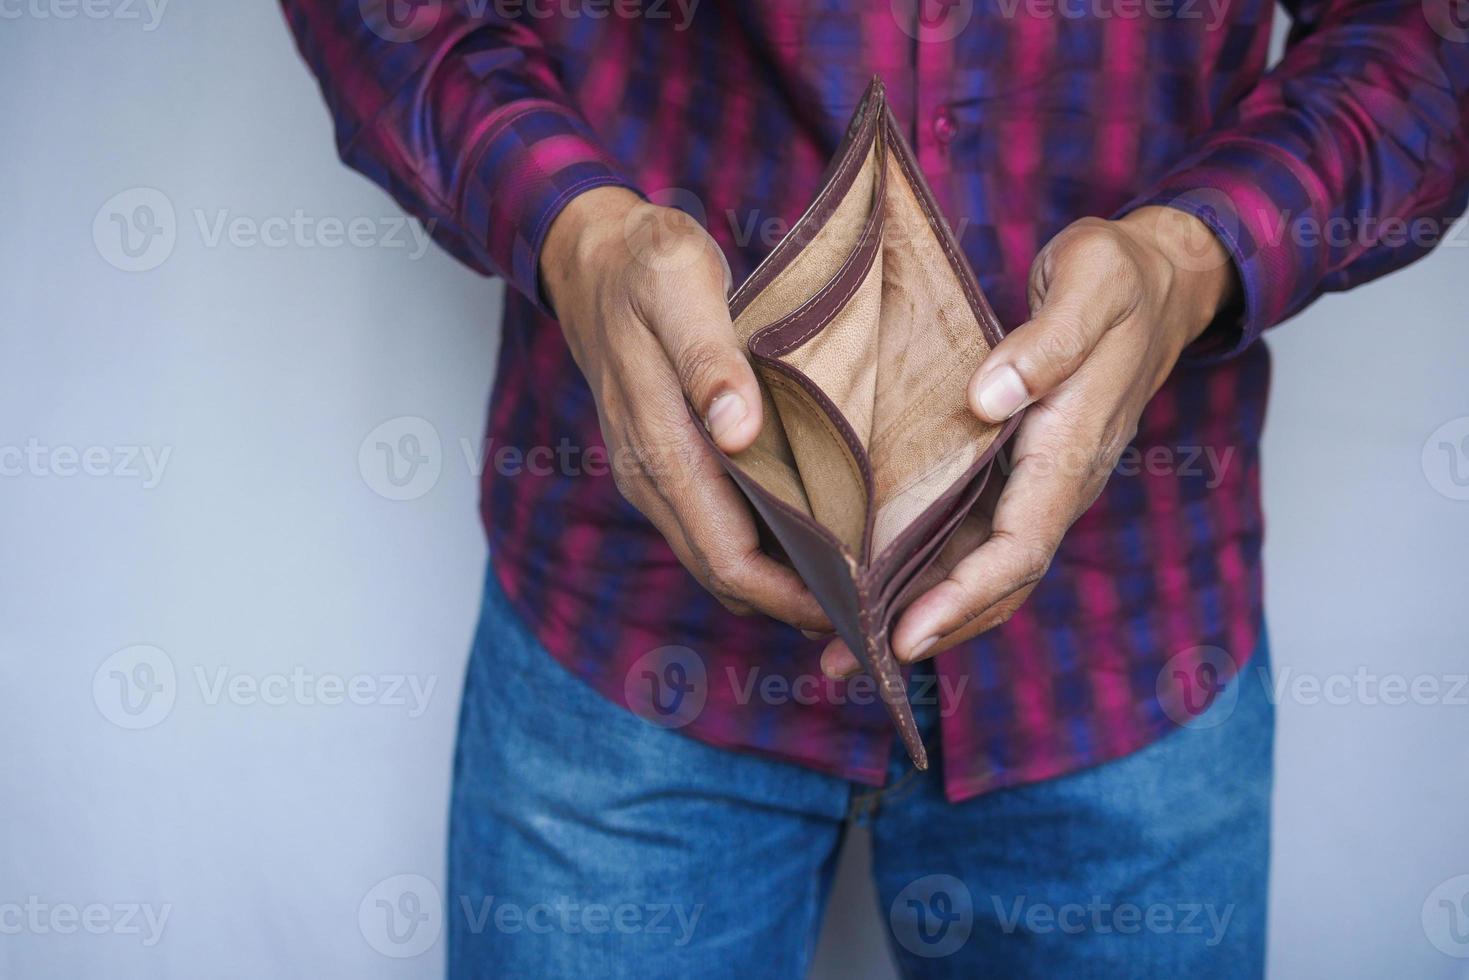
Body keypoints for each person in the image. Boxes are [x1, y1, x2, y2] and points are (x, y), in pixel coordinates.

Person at [282, 1, 1469, 975]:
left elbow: (1427, 34)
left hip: (1122, 633)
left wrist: (1189, 256)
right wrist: (573, 236)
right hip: (629, 611)